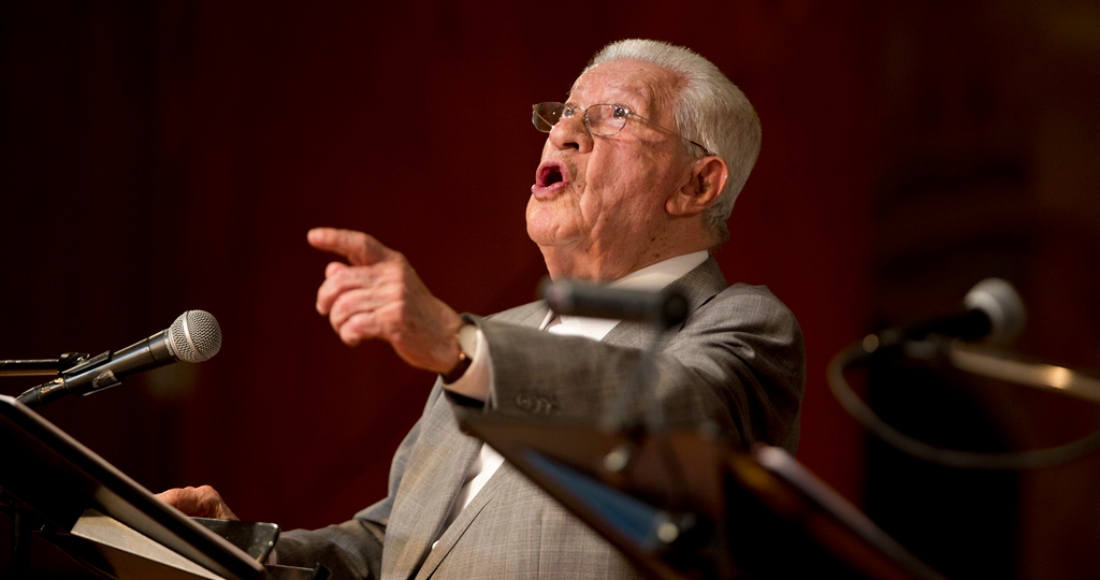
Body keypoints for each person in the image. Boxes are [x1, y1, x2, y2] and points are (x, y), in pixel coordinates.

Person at [160, 38, 805, 579]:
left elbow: (668, 415)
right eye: (565, 112)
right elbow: (393, 546)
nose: (566, 132)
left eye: (615, 116)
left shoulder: (738, 325)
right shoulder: (496, 337)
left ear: (698, 184)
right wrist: (241, 554)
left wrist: (458, 347)